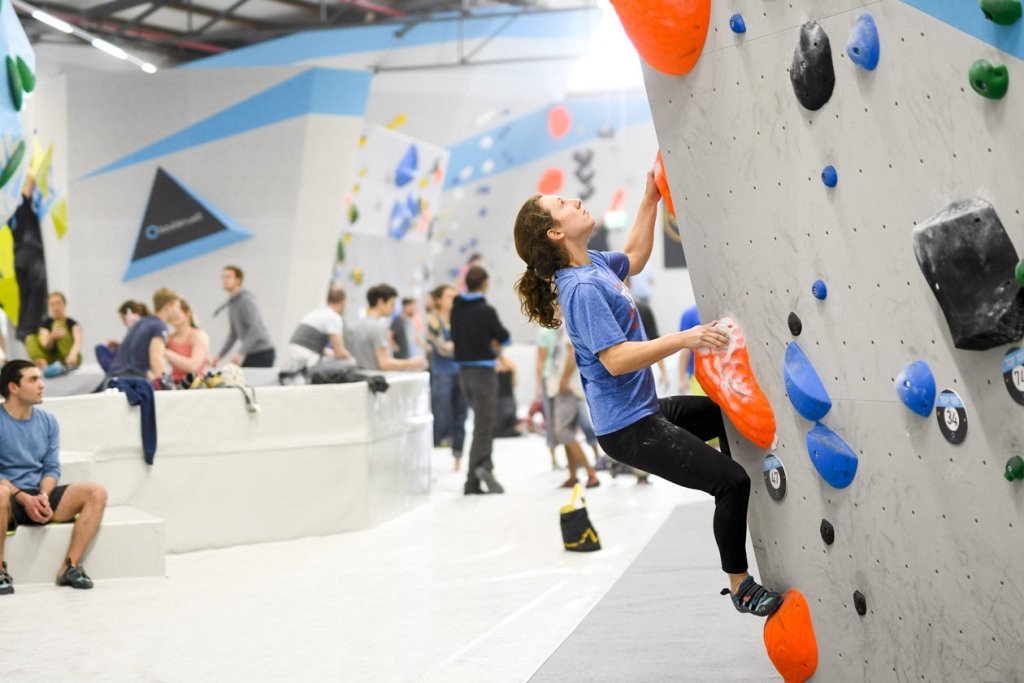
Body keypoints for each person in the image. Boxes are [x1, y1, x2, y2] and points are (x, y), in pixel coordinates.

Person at [513, 174, 783, 618]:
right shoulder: (581, 289)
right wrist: (685, 339)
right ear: (555, 232)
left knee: (726, 415)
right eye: (563, 203)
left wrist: (649, 197)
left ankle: (759, 507)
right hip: (629, 429)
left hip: (647, 411)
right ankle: (741, 587)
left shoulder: (594, 264)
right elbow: (616, 360)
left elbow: (636, 256)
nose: (576, 200)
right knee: (731, 481)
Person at [0, 360, 109, 593]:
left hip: (38, 493)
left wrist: (43, 496)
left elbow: (51, 467)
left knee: (96, 492)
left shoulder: (48, 421)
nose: (41, 385)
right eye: (33, 380)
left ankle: (70, 567)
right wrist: (21, 497)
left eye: (40, 379)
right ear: (13, 387)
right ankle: (0, 571)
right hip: (9, 495)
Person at [451, 265, 510, 495]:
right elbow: (504, 337)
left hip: (463, 373)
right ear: (484, 283)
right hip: (484, 373)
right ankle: (482, 468)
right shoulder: (485, 310)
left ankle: (472, 482)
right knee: (484, 426)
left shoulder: (456, 308)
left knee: (479, 424)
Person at [540, 325, 599, 488]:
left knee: (562, 431)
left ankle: (591, 473)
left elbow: (574, 354)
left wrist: (564, 380)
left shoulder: (567, 326)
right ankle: (573, 476)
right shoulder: (559, 329)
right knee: (567, 432)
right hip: (561, 387)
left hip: (567, 388)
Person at [426, 284, 467, 470]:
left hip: (461, 370)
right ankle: (439, 447)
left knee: (462, 415)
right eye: (449, 296)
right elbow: (442, 348)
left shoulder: (460, 318)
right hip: (443, 372)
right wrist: (459, 346)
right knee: (443, 414)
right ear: (439, 300)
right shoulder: (433, 321)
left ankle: (458, 455)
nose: (453, 300)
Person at [107, 288, 184, 382]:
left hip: (113, 379)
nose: (179, 312)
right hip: (131, 382)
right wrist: (165, 385)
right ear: (168, 307)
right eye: (177, 307)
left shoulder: (141, 322)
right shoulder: (160, 327)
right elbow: (156, 360)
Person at [347, 284, 427, 372]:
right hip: (376, 380)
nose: (393, 309)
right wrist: (411, 362)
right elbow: (384, 363)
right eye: (392, 304)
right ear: (381, 302)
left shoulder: (359, 325)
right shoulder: (377, 326)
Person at [282, 285, 353, 378]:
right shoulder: (334, 317)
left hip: (294, 357)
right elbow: (340, 352)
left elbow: (310, 343)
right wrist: (352, 359)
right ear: (344, 301)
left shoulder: (316, 313)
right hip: (308, 363)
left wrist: (328, 352)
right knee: (350, 365)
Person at [212, 265, 275, 368]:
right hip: (251, 353)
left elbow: (256, 328)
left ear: (238, 280)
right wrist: (219, 357)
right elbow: (233, 334)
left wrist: (241, 352)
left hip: (263, 352)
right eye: (223, 277)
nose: (224, 280)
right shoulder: (232, 303)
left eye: (228, 277)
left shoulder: (246, 300)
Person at [25, 292, 83, 370]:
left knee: (57, 324)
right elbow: (45, 344)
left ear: (64, 304)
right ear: (49, 306)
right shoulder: (46, 324)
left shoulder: (72, 324)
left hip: (70, 356)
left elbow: (78, 340)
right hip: (52, 358)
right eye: (52, 304)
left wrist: (73, 355)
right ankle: (42, 363)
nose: (56, 307)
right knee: (30, 338)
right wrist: (52, 336)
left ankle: (68, 363)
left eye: (58, 303)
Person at [164, 300, 210, 386]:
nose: (173, 316)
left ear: (188, 312)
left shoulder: (199, 336)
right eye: (171, 313)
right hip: (175, 386)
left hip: (196, 386)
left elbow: (193, 366)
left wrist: (166, 352)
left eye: (177, 313)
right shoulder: (168, 339)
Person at [96, 301, 149, 371]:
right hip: (130, 359)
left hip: (134, 363)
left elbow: (136, 349)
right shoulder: (135, 329)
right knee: (100, 348)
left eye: (123, 319)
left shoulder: (142, 327)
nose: (123, 323)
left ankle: (114, 371)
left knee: (100, 349)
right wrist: (118, 345)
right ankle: (115, 370)